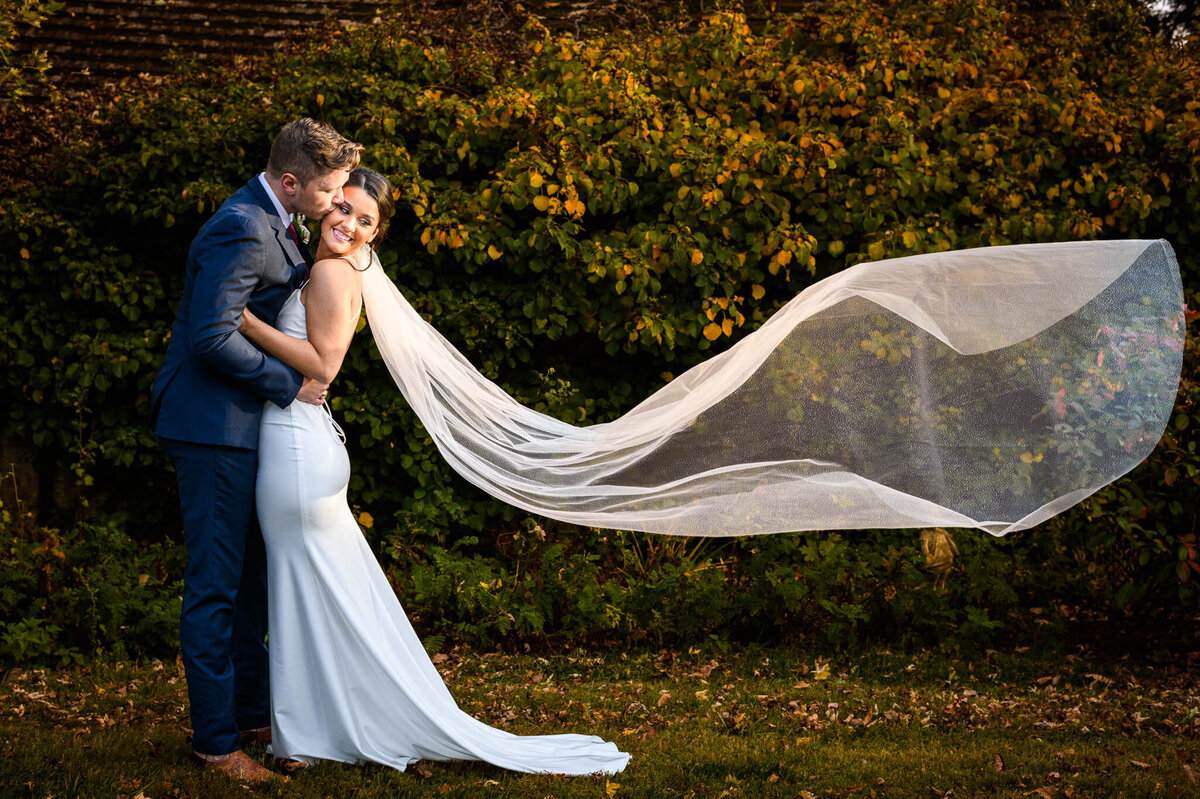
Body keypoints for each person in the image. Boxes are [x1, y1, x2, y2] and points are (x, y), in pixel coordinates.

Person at [240, 167, 631, 775]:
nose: (348, 224)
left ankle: (308, 734)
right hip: (307, 448)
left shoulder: (329, 272)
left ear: (376, 233)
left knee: (301, 593)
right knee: (323, 597)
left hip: (296, 452)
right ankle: (319, 724)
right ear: (323, 204)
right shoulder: (322, 267)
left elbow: (323, 366)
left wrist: (244, 322)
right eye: (343, 208)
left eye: (365, 220)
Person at [150, 119, 363, 782]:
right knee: (215, 586)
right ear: (292, 182)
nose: (336, 200)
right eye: (329, 189)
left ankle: (249, 714)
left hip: (242, 428)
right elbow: (212, 336)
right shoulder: (242, 224)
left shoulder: (280, 220)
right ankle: (217, 746)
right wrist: (290, 383)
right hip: (213, 426)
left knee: (246, 588)